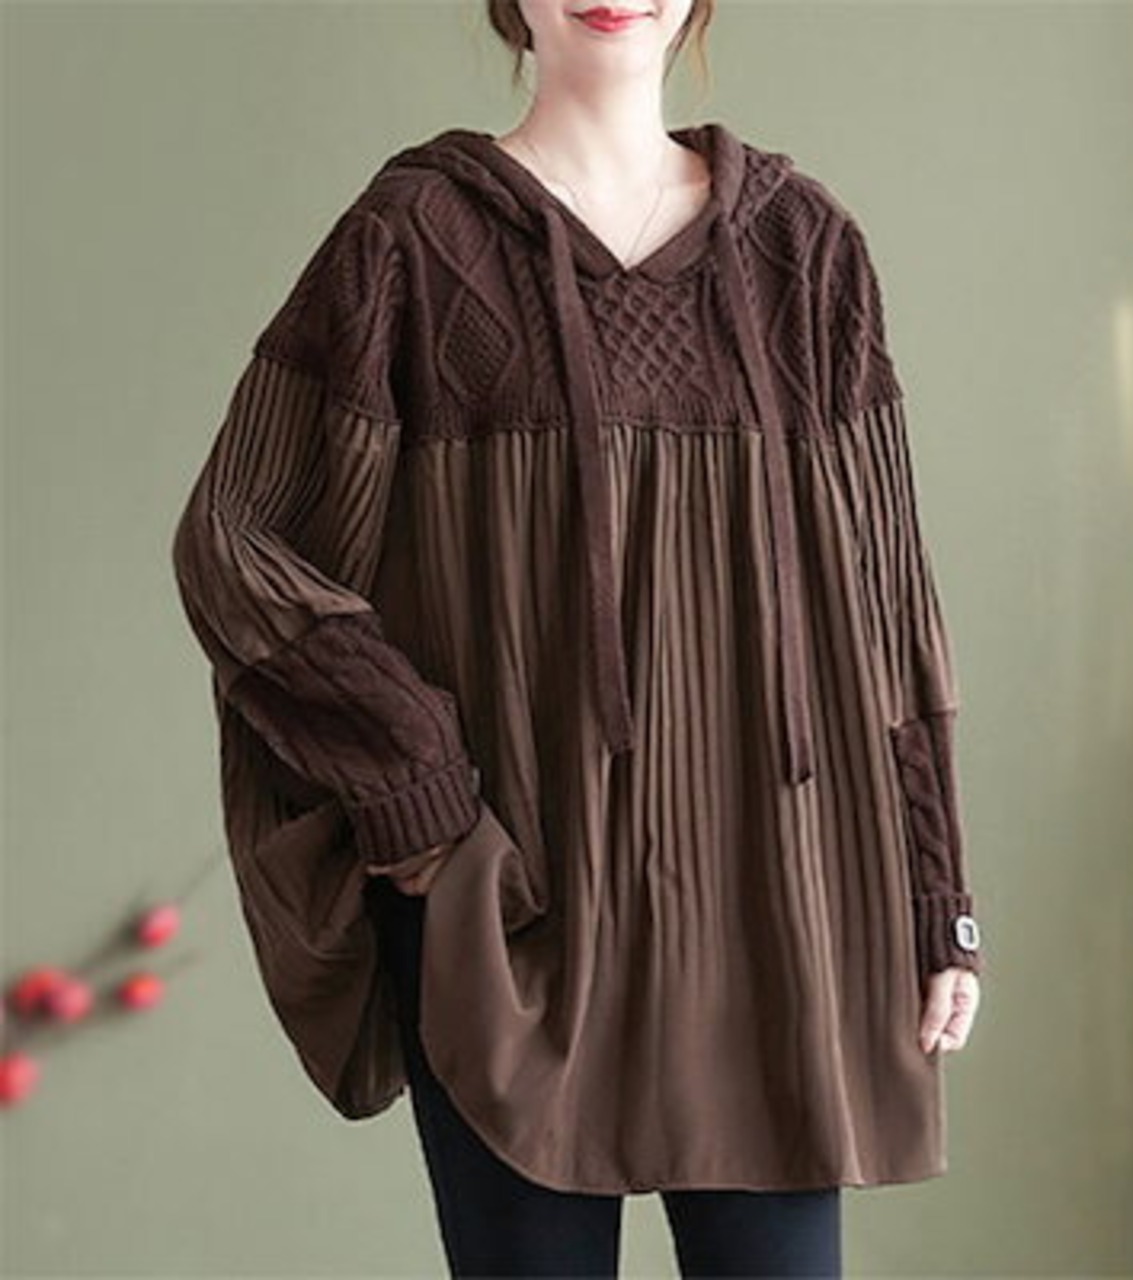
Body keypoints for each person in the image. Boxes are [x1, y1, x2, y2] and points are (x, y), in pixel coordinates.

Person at [171, 1, 985, 1275]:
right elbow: (235, 538)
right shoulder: (409, 241)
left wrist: (938, 896)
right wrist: (419, 789)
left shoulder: (804, 250)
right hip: (516, 907)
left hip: (774, 909)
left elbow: (886, 597)